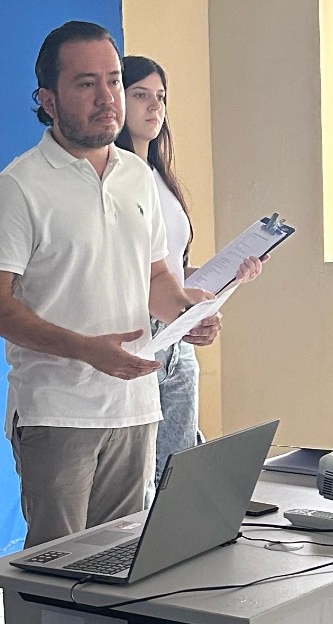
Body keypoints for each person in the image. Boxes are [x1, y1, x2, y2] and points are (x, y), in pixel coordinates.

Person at [0, 22, 259, 624]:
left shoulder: (136, 178)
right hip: (59, 409)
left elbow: (158, 282)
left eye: (110, 80)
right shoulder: (18, 188)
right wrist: (83, 349)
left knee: (120, 570)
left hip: (136, 401)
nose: (106, 98)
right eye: (85, 83)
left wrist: (193, 309)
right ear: (46, 98)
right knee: (52, 574)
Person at [115, 55, 213, 486]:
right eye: (141, 95)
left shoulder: (159, 176)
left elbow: (171, 270)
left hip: (177, 338)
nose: (155, 107)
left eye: (161, 98)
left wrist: (223, 282)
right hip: (136, 332)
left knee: (181, 470)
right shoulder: (109, 178)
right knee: (139, 482)